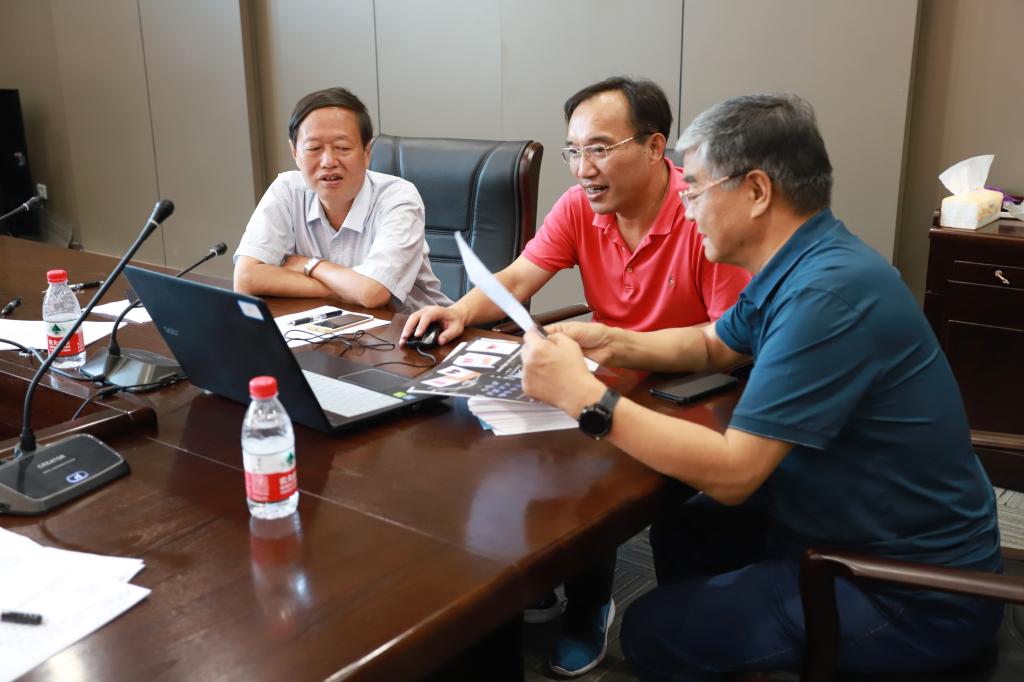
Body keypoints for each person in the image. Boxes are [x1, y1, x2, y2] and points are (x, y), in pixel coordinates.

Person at [520, 93, 1002, 681]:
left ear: (755, 191)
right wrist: (610, 342)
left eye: (695, 190)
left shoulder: (825, 297)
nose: (686, 209)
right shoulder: (806, 259)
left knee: (649, 631)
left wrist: (586, 398)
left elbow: (734, 473)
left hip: (908, 593)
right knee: (685, 528)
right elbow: (713, 344)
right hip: (840, 525)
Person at [402, 77, 750, 677]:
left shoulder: (700, 212)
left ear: (654, 146)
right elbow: (519, 277)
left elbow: (727, 342)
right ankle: (539, 575)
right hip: (608, 366)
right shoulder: (579, 206)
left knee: (589, 455)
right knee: (504, 432)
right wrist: (458, 311)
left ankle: (590, 604)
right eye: (575, 151)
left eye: (600, 149)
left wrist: (614, 350)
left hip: (691, 385)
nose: (584, 169)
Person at [233, 87, 450, 313]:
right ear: (295, 152)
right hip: (331, 327)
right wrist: (345, 291)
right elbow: (246, 278)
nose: (328, 161)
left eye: (342, 148)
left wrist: (311, 265)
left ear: (367, 153)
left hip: (414, 329)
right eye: (314, 148)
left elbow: (372, 293)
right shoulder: (287, 190)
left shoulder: (398, 198)